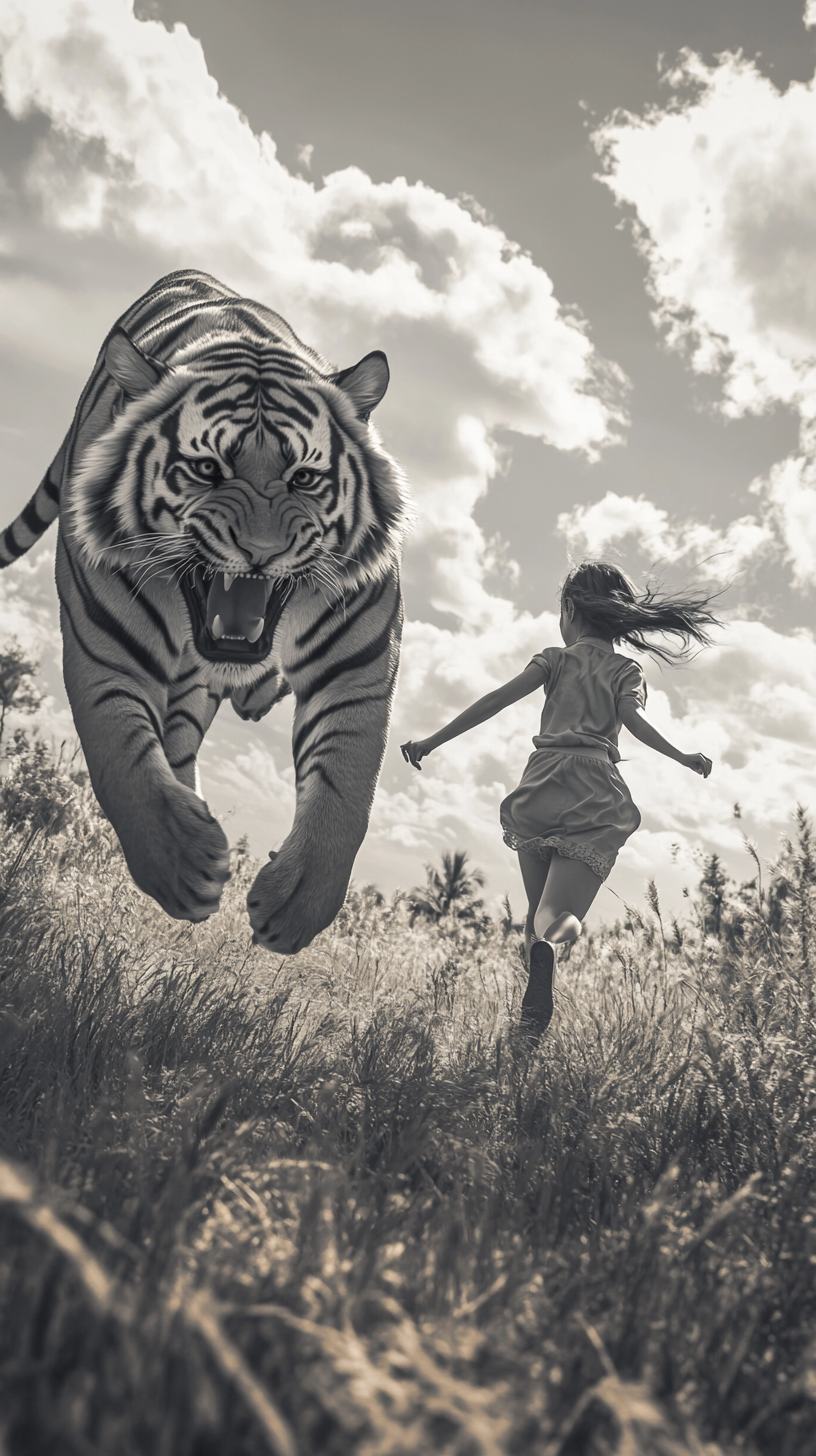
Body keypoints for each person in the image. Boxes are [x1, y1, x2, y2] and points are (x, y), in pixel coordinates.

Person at [401, 561, 720, 1037]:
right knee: (558, 918)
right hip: (594, 793)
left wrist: (431, 742)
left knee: (534, 916)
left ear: (569, 609)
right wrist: (681, 755)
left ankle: (526, 1037)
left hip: (541, 784)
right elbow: (633, 722)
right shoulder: (625, 670)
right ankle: (552, 946)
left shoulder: (554, 658)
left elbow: (495, 700)